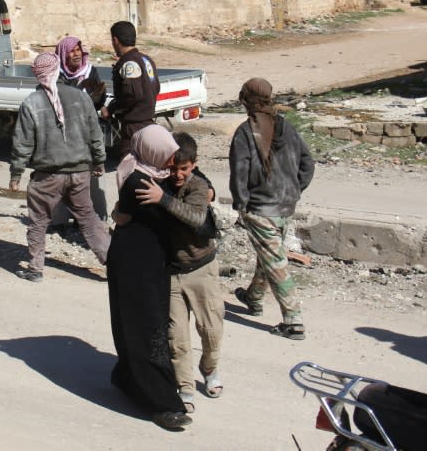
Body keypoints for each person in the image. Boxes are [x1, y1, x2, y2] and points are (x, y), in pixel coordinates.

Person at [106, 124, 192, 431]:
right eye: (167, 155)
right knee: (145, 330)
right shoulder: (141, 182)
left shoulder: (154, 174)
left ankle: (127, 377)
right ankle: (163, 403)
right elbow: (174, 220)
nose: (172, 163)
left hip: (147, 261)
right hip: (136, 265)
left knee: (141, 325)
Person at [135, 132, 224, 414]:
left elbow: (196, 218)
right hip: (171, 273)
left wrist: (163, 200)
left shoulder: (198, 186)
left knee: (211, 331)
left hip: (202, 269)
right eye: (173, 168)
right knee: (177, 338)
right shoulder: (159, 184)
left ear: (194, 165)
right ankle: (185, 386)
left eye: (183, 169)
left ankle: (209, 370)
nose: (177, 175)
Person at [8, 52, 110, 282]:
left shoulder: (31, 103)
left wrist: (16, 174)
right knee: (88, 219)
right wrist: (99, 161)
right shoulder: (80, 97)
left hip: (48, 177)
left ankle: (35, 268)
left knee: (38, 221)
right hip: (80, 173)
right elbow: (95, 133)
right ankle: (113, 263)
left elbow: (22, 143)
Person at [229, 78, 315, 340]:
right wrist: (295, 190)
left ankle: (293, 321)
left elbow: (239, 174)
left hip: (261, 208)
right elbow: (307, 162)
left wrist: (241, 204)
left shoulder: (244, 133)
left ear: (245, 101)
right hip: (286, 205)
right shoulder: (287, 127)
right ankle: (253, 298)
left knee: (275, 261)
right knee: (268, 254)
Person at [50, 36, 108, 224]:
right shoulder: (55, 75)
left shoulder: (90, 72)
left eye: (78, 50)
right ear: (63, 55)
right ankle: (59, 220)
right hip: (64, 133)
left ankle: (92, 219)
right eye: (71, 52)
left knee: (89, 178)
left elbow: (97, 104)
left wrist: (98, 96)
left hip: (86, 133)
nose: (76, 55)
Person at [100, 21, 161, 158]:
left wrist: (110, 109)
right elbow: (155, 87)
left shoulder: (129, 63)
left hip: (134, 127)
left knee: (129, 170)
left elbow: (131, 95)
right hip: (149, 122)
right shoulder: (146, 59)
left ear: (115, 40)